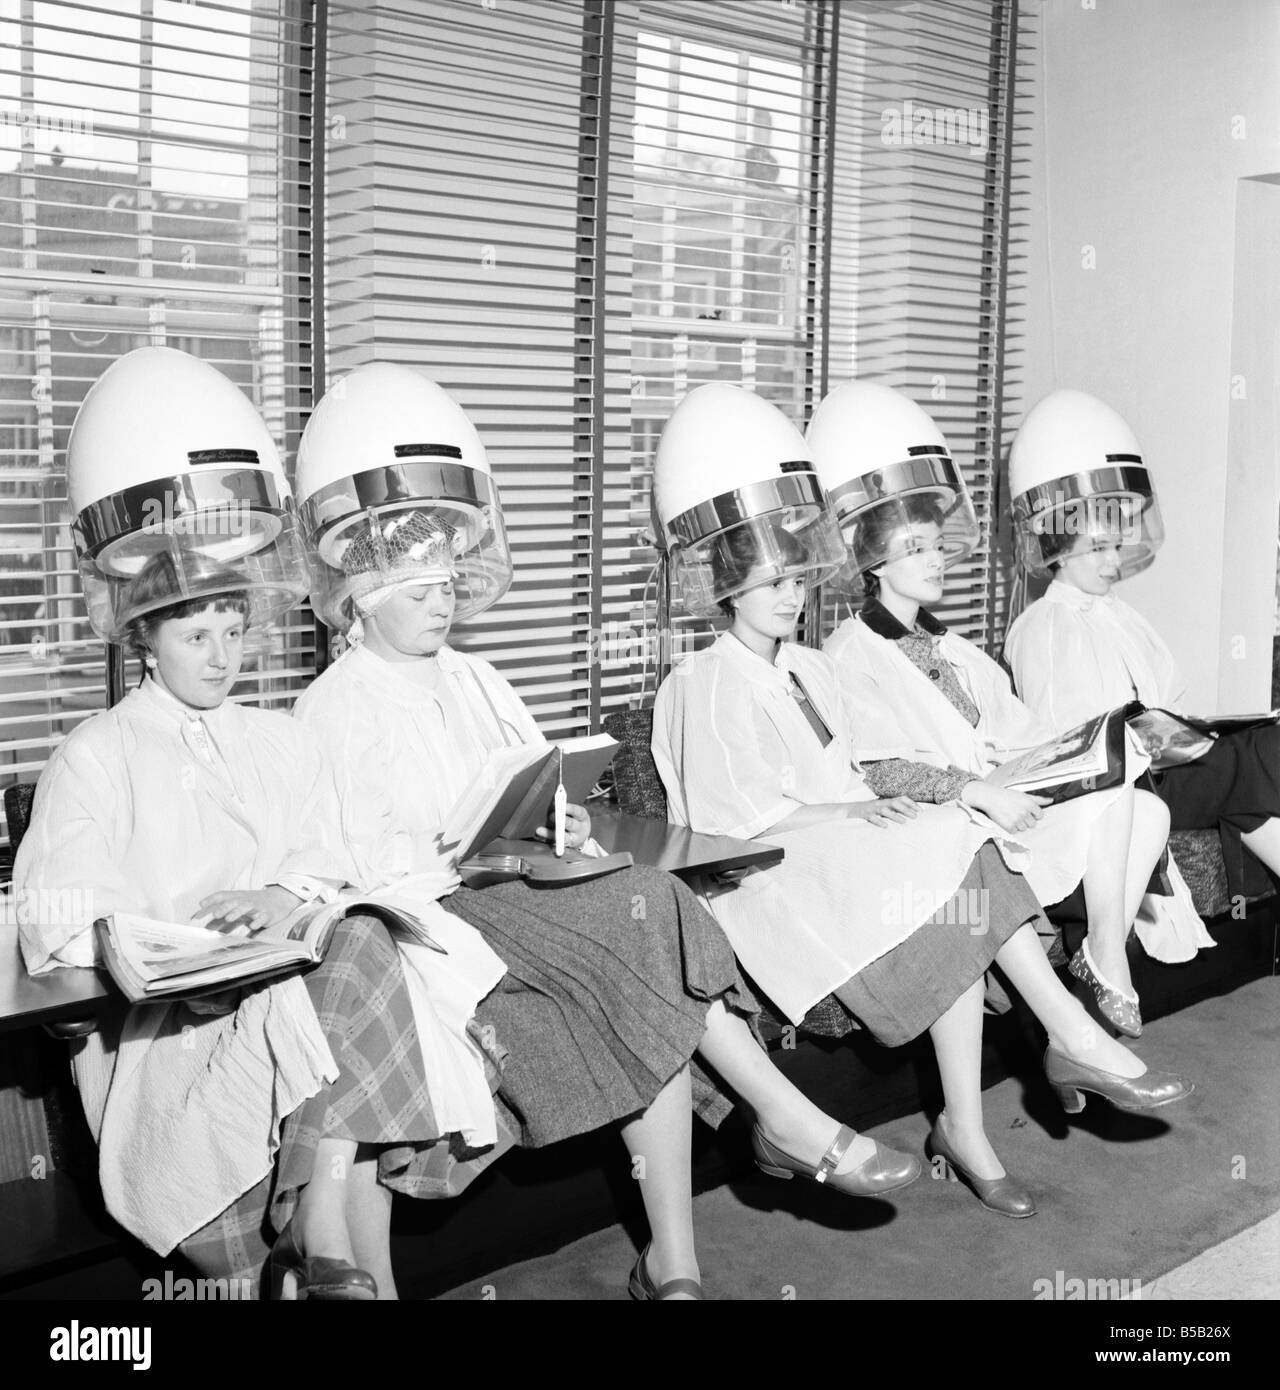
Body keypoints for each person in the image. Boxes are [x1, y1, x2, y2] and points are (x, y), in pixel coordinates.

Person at [292, 364, 909, 1302]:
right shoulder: (333, 707)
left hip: (516, 887)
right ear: (364, 591)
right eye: (421, 588)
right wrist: (461, 846)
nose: (445, 600)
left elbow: (533, 781)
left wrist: (560, 813)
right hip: (437, 920)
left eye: (452, 581)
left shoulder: (479, 678)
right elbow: (354, 873)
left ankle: (682, 1255)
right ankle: (778, 1124)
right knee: (644, 917)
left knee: (648, 911)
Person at [650, 385, 1193, 1221]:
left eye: (799, 575)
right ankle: (1068, 1040)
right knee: (950, 854)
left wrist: (901, 801)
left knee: (954, 860)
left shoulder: (806, 668)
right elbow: (734, 823)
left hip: (847, 846)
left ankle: (1011, 1090)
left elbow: (862, 770)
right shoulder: (700, 682)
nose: (792, 594)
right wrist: (859, 813)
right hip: (773, 881)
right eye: (771, 581)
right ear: (722, 586)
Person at [11, 348, 487, 1300]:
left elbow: (324, 855)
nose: (224, 657)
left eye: (235, 631)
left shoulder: (277, 741)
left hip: (296, 994)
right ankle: (336, 1255)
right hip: (173, 1041)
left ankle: (324, 1244)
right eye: (197, 637)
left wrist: (281, 895)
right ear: (142, 637)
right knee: (346, 961)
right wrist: (154, 942)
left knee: (354, 935)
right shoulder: (95, 754)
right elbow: (53, 911)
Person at [807, 382, 1172, 1039]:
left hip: (1005, 796)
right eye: (917, 547)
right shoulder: (847, 654)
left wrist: (1075, 751)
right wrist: (978, 786)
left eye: (937, 542)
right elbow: (877, 768)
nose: (938, 557)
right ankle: (1101, 963)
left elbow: (1023, 730)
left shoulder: (955, 648)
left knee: (1141, 802)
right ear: (872, 562)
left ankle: (1102, 952)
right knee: (1125, 803)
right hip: (947, 823)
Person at [1005, 391, 1259, 1008]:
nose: (1114, 561)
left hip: (1162, 766)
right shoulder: (1041, 627)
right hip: (1119, 786)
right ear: (1054, 544)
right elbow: (1062, 741)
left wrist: (1176, 728)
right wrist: (1144, 738)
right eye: (1098, 548)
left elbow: (1168, 696)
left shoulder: (1123, 617)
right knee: (1250, 764)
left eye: (1118, 545)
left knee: (1258, 750)